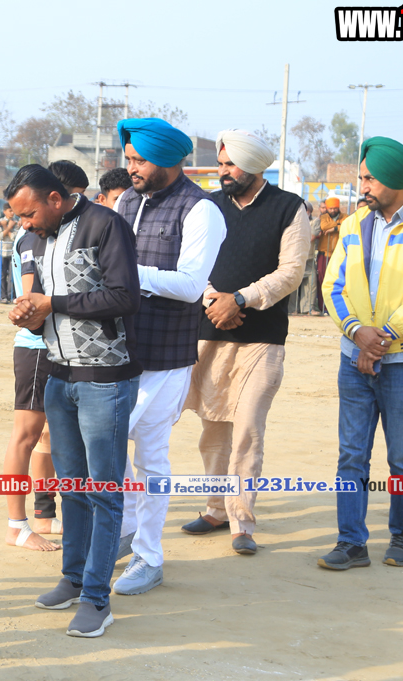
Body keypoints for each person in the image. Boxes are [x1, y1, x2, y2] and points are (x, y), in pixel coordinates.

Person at [8, 164, 142, 638]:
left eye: (28, 214)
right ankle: (73, 578)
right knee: (72, 488)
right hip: (57, 375)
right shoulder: (38, 238)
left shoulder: (105, 225)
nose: (24, 224)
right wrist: (29, 312)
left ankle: (97, 599)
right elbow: (43, 301)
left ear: (55, 198)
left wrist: (54, 304)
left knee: (104, 492)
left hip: (104, 378)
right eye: (19, 217)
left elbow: (124, 297)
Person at [319, 137, 403, 570]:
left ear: (395, 181)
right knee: (351, 455)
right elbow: (333, 285)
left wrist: (384, 338)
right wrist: (358, 333)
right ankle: (350, 542)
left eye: (369, 178)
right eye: (362, 177)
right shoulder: (355, 223)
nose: (362, 186)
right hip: (353, 357)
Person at [110, 117, 227, 594]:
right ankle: (126, 531)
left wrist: (127, 273)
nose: (131, 167)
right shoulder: (126, 200)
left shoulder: (201, 210)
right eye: (129, 158)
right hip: (117, 350)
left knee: (150, 454)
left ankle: (149, 556)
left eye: (139, 160)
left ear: (167, 160)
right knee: (108, 443)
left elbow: (191, 285)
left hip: (166, 356)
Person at [181, 129, 309, 555]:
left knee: (248, 428)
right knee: (213, 428)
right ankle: (215, 509)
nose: (224, 172)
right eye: (221, 164)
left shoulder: (288, 207)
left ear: (254, 166)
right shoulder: (209, 206)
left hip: (262, 339)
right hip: (209, 332)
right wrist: (213, 300)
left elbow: (291, 271)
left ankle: (241, 521)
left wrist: (240, 299)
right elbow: (190, 262)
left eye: (231, 165)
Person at [2, 220, 63, 552]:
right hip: (37, 347)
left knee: (46, 435)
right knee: (25, 436)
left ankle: (43, 514)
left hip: (53, 346)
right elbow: (29, 299)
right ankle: (16, 525)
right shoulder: (32, 237)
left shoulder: (48, 234)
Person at [316, 196, 347, 315]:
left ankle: (336, 307)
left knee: (337, 280)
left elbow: (346, 226)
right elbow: (323, 226)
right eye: (331, 208)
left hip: (338, 254)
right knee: (322, 279)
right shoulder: (323, 217)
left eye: (335, 208)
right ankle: (323, 306)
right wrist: (338, 226)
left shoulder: (345, 217)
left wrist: (333, 228)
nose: (333, 210)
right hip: (324, 253)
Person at [0, 204, 18, 303]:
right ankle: (3, 296)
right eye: (10, 211)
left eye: (13, 211)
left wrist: (6, 227)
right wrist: (8, 227)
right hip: (1, 252)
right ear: (4, 211)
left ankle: (11, 295)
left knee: (12, 275)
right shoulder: (0, 222)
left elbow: (14, 237)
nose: (12, 213)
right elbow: (0, 236)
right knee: (2, 275)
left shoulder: (16, 222)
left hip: (12, 252)